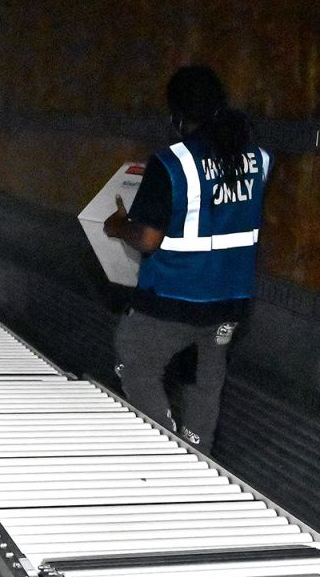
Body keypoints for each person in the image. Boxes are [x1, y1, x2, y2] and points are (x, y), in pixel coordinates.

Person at [102, 65, 270, 455]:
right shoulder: (259, 159)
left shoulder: (171, 164)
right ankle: (199, 453)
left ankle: (168, 449)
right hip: (230, 301)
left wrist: (117, 226)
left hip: (174, 298)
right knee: (205, 381)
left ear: (177, 115)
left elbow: (147, 238)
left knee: (135, 360)